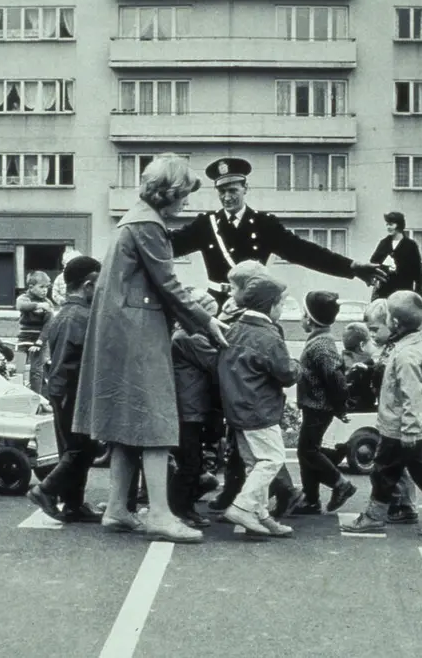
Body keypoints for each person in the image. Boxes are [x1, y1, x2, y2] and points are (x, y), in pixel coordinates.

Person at [73, 153, 229, 544]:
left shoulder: (135, 218)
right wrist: (207, 322)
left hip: (121, 329)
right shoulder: (148, 224)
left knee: (126, 424)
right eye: (185, 194)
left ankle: (117, 508)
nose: (187, 202)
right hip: (138, 331)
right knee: (157, 422)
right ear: (170, 192)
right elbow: (169, 285)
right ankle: (159, 513)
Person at [169, 157, 385, 306]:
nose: (227, 197)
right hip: (216, 304)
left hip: (253, 305)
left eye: (233, 190)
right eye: (222, 191)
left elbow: (304, 252)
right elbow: (168, 245)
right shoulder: (206, 224)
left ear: (245, 189)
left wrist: (352, 267)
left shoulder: (264, 224)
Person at [344, 291, 422, 536]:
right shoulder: (404, 347)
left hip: (400, 428)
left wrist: (409, 430)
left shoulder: (406, 355)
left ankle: (377, 517)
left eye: (386, 315)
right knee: (409, 471)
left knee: (385, 471)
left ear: (395, 323)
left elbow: (413, 396)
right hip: (401, 427)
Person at [208, 259, 301, 517]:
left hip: (236, 409)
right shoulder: (269, 335)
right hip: (260, 410)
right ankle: (242, 508)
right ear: (270, 305)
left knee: (253, 465)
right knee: (270, 461)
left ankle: (259, 516)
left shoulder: (233, 328)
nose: (282, 309)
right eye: (281, 303)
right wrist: (297, 365)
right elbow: (286, 374)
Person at [28, 255, 104, 523]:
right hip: (75, 391)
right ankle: (45, 490)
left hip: (62, 390)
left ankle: (73, 504)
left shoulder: (64, 314)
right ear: (88, 284)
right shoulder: (81, 317)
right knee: (82, 448)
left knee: (73, 447)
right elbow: (80, 360)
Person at [291, 290, 357, 516]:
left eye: (303, 315)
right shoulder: (320, 342)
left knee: (308, 451)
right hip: (315, 406)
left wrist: (340, 406)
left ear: (310, 319)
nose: (301, 319)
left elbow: (335, 377)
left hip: (319, 407)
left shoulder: (321, 346)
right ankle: (311, 500)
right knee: (306, 451)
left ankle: (340, 484)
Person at [168, 287, 221, 529]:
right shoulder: (191, 338)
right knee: (190, 462)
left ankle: (182, 506)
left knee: (192, 461)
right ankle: (182, 509)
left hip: (186, 407)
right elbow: (216, 364)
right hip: (188, 409)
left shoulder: (182, 335)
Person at [362, 298, 418, 524]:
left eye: (375, 329)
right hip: (389, 418)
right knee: (392, 467)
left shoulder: (398, 353)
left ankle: (401, 507)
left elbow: (407, 391)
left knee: (387, 467)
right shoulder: (389, 350)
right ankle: (400, 505)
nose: (372, 335)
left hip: (396, 420)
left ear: (392, 325)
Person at [369, 211, 422, 301]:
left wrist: (418, 294)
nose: (388, 227)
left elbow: (418, 272)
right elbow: (373, 262)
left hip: (403, 292)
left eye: (391, 224)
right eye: (387, 224)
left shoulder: (410, 245)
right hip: (384, 292)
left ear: (399, 225)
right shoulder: (384, 243)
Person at [16, 271, 55, 395]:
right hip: (23, 338)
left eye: (47, 288)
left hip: (38, 339)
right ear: (31, 287)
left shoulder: (48, 304)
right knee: (19, 369)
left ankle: (36, 397)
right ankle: (18, 394)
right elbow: (21, 305)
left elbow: (48, 324)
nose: (45, 291)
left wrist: (40, 341)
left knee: (36, 370)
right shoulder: (24, 298)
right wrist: (38, 305)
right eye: (41, 287)